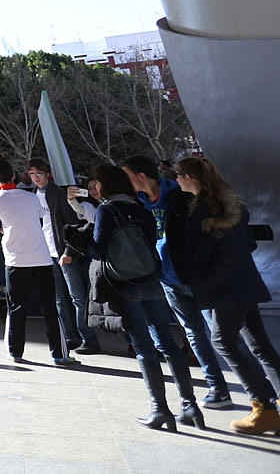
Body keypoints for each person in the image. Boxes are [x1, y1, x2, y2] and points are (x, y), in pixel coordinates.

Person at [67, 164, 199, 430]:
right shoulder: (140, 208)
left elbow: (98, 251)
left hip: (124, 285)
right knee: (168, 345)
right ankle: (189, 406)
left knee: (143, 347)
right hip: (150, 281)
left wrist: (76, 236)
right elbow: (150, 241)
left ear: (106, 185)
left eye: (98, 182)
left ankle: (160, 410)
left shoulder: (106, 210)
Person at [166, 157, 280, 435]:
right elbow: (248, 245)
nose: (175, 180)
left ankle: (263, 409)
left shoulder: (207, 210)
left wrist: (204, 283)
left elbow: (230, 255)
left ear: (190, 177)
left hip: (229, 290)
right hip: (241, 286)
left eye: (178, 175)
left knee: (223, 341)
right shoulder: (225, 204)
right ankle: (268, 411)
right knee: (260, 347)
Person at [122, 155, 234, 409]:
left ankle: (262, 393)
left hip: (195, 277)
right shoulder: (138, 203)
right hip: (168, 279)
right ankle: (218, 387)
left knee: (224, 336)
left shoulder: (180, 194)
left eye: (127, 176)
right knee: (195, 335)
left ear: (141, 176)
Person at [0, 159, 74, 366]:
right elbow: (40, 219)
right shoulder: (30, 197)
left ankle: (15, 351)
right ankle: (59, 354)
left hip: (15, 260)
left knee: (16, 307)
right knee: (49, 306)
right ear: (14, 175)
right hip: (40, 257)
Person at [28, 159, 99, 353]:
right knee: (59, 298)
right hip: (47, 252)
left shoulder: (58, 193)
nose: (36, 178)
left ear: (47, 174)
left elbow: (73, 225)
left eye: (39, 174)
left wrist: (69, 252)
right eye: (32, 174)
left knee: (77, 297)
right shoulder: (34, 195)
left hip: (64, 252)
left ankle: (89, 338)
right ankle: (71, 336)